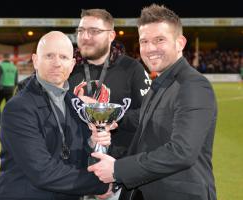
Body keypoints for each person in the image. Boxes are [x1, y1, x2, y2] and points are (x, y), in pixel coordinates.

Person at [88, 4, 217, 200]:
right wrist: (110, 117)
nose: (150, 49)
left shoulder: (193, 85)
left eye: (159, 40)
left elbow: (182, 152)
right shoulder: (162, 83)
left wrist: (117, 170)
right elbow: (143, 119)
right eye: (144, 41)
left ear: (180, 42)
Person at [0, 31, 113, 200]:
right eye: (49, 56)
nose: (57, 63)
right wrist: (100, 184)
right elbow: (42, 171)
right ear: (36, 61)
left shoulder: (78, 105)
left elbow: (80, 158)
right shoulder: (18, 108)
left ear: (73, 64)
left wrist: (94, 142)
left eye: (64, 57)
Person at [69, 9, 151, 161]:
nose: (85, 37)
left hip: (118, 165)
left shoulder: (132, 69)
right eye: (81, 31)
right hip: (72, 166)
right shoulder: (67, 67)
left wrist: (111, 116)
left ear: (111, 36)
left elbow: (150, 113)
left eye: (94, 31)